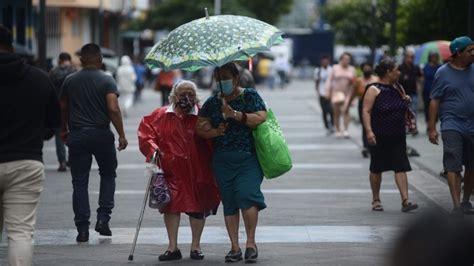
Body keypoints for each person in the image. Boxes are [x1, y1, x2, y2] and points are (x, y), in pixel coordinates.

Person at [138, 80, 220, 261]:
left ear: (196, 96)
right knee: (171, 207)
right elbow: (146, 133)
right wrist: (153, 149)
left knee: (198, 207)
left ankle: (196, 246)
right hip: (171, 169)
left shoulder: (203, 115)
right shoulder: (161, 115)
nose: (186, 98)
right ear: (174, 96)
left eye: (190, 93)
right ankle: (172, 247)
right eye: (182, 94)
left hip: (199, 169)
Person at [0, 25, 60, 265]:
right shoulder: (38, 78)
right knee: (21, 232)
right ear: (12, 46)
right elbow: (54, 122)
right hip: (26, 161)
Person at [196, 62, 267, 263]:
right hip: (222, 160)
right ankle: (234, 247)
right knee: (230, 202)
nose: (222, 82)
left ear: (236, 78)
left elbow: (261, 117)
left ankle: (251, 244)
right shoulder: (212, 102)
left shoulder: (249, 95)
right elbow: (200, 128)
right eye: (218, 78)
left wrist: (236, 115)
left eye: (225, 78)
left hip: (248, 157)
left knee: (248, 196)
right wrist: (214, 131)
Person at [59, 43, 128, 242]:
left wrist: (64, 129)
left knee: (79, 182)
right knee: (108, 174)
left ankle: (82, 228)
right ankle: (103, 219)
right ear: (100, 60)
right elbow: (113, 109)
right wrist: (122, 135)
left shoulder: (69, 80)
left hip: (78, 135)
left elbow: (62, 107)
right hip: (101, 135)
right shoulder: (107, 80)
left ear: (80, 61)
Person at [362, 58, 418, 213]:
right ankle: (376, 200)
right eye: (396, 69)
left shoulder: (398, 87)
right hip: (379, 136)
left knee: (401, 167)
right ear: (388, 72)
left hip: (398, 135)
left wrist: (406, 100)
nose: (399, 72)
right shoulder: (373, 89)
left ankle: (405, 201)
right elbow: (366, 111)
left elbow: (401, 107)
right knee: (376, 168)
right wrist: (369, 131)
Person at [428, 36, 474, 215]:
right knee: (453, 165)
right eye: (470, 50)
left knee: (471, 167)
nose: (473, 53)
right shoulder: (443, 72)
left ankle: (466, 201)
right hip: (451, 124)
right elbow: (434, 101)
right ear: (457, 53)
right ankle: (456, 205)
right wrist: (432, 128)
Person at [49, 52, 77, 171]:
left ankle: (62, 161)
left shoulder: (53, 72)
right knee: (74, 133)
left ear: (60, 60)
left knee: (59, 135)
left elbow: (49, 90)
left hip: (57, 107)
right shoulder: (75, 71)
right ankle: (71, 159)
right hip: (73, 108)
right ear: (69, 60)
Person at [326, 52, 356, 138]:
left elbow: (354, 83)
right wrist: (327, 92)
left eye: (348, 59)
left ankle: (346, 130)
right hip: (336, 93)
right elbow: (329, 80)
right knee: (336, 113)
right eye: (345, 59)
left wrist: (353, 97)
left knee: (346, 111)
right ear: (341, 59)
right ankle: (338, 129)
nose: (346, 61)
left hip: (347, 93)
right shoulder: (335, 68)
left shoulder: (352, 69)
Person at [351, 62, 378, 157]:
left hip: (375, 103)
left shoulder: (376, 79)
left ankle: (374, 145)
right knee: (364, 124)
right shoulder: (359, 80)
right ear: (362, 70)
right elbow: (353, 93)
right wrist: (349, 103)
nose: (367, 70)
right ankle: (366, 146)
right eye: (365, 68)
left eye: (368, 68)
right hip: (362, 103)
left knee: (374, 124)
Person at [399, 51, 422, 135]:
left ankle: (413, 127)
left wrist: (419, 84)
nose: (410, 59)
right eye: (408, 57)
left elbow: (420, 76)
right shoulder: (400, 67)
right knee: (403, 111)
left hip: (413, 92)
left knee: (414, 111)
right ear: (405, 57)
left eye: (412, 57)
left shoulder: (415, 67)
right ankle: (404, 127)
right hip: (403, 93)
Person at [314, 54, 334, 135]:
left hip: (331, 94)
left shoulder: (332, 70)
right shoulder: (318, 70)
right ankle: (327, 126)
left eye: (326, 62)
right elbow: (317, 82)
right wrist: (318, 92)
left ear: (328, 62)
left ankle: (332, 125)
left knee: (331, 111)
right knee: (324, 111)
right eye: (323, 62)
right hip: (322, 94)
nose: (325, 63)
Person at [422, 53, 441, 130]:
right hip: (427, 90)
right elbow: (423, 76)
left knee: (436, 108)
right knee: (427, 108)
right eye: (432, 57)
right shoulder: (426, 66)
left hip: (437, 91)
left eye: (435, 57)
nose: (434, 59)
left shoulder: (440, 67)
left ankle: (433, 124)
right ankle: (428, 124)